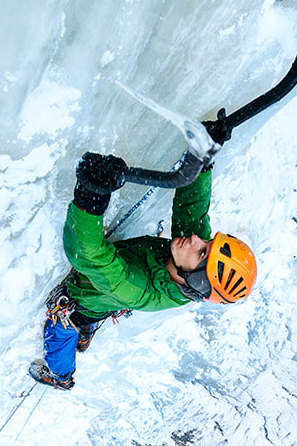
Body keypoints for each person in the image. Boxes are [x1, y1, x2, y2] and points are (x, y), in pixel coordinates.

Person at [29, 150, 257, 389]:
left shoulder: (137, 287)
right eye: (207, 244)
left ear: (196, 280)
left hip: (87, 298)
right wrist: (203, 159)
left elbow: (89, 255)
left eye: (202, 252)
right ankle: (85, 335)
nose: (197, 240)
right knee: (100, 305)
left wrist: (91, 197)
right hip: (109, 293)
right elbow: (192, 211)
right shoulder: (187, 267)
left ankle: (61, 377)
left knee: (61, 329)